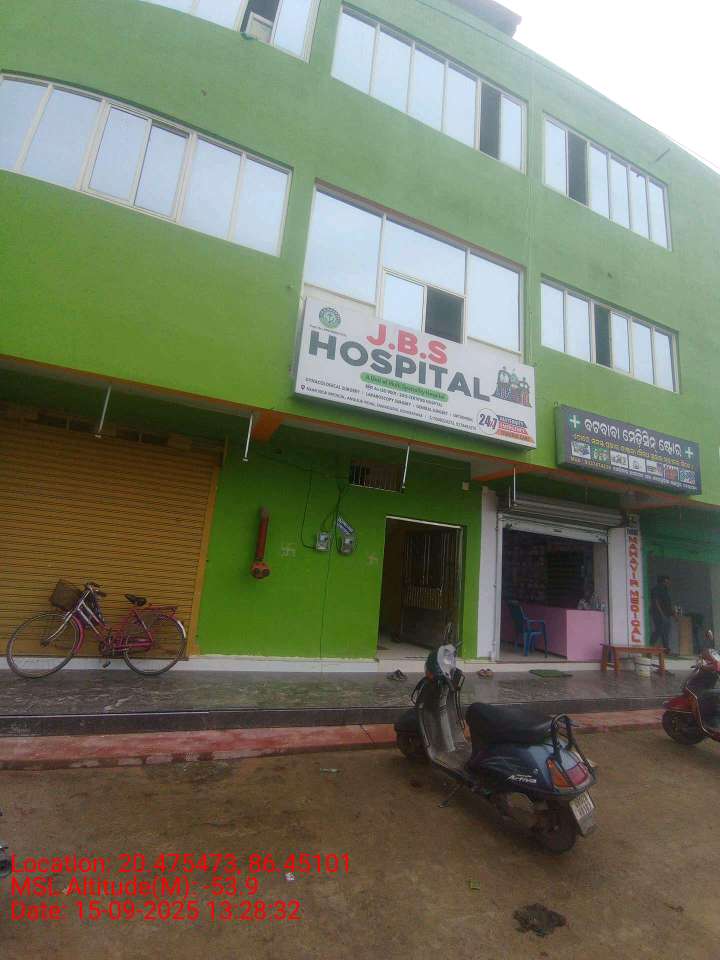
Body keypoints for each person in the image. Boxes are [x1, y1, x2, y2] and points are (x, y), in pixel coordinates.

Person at [650, 575, 676, 653]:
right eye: (666, 582)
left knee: (665, 632)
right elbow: (656, 602)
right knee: (659, 630)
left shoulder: (665, 590)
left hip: (666, 614)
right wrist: (662, 614)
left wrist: (673, 614)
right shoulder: (656, 589)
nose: (668, 583)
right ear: (662, 582)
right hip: (658, 614)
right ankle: (649, 647)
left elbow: (668, 604)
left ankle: (666, 649)